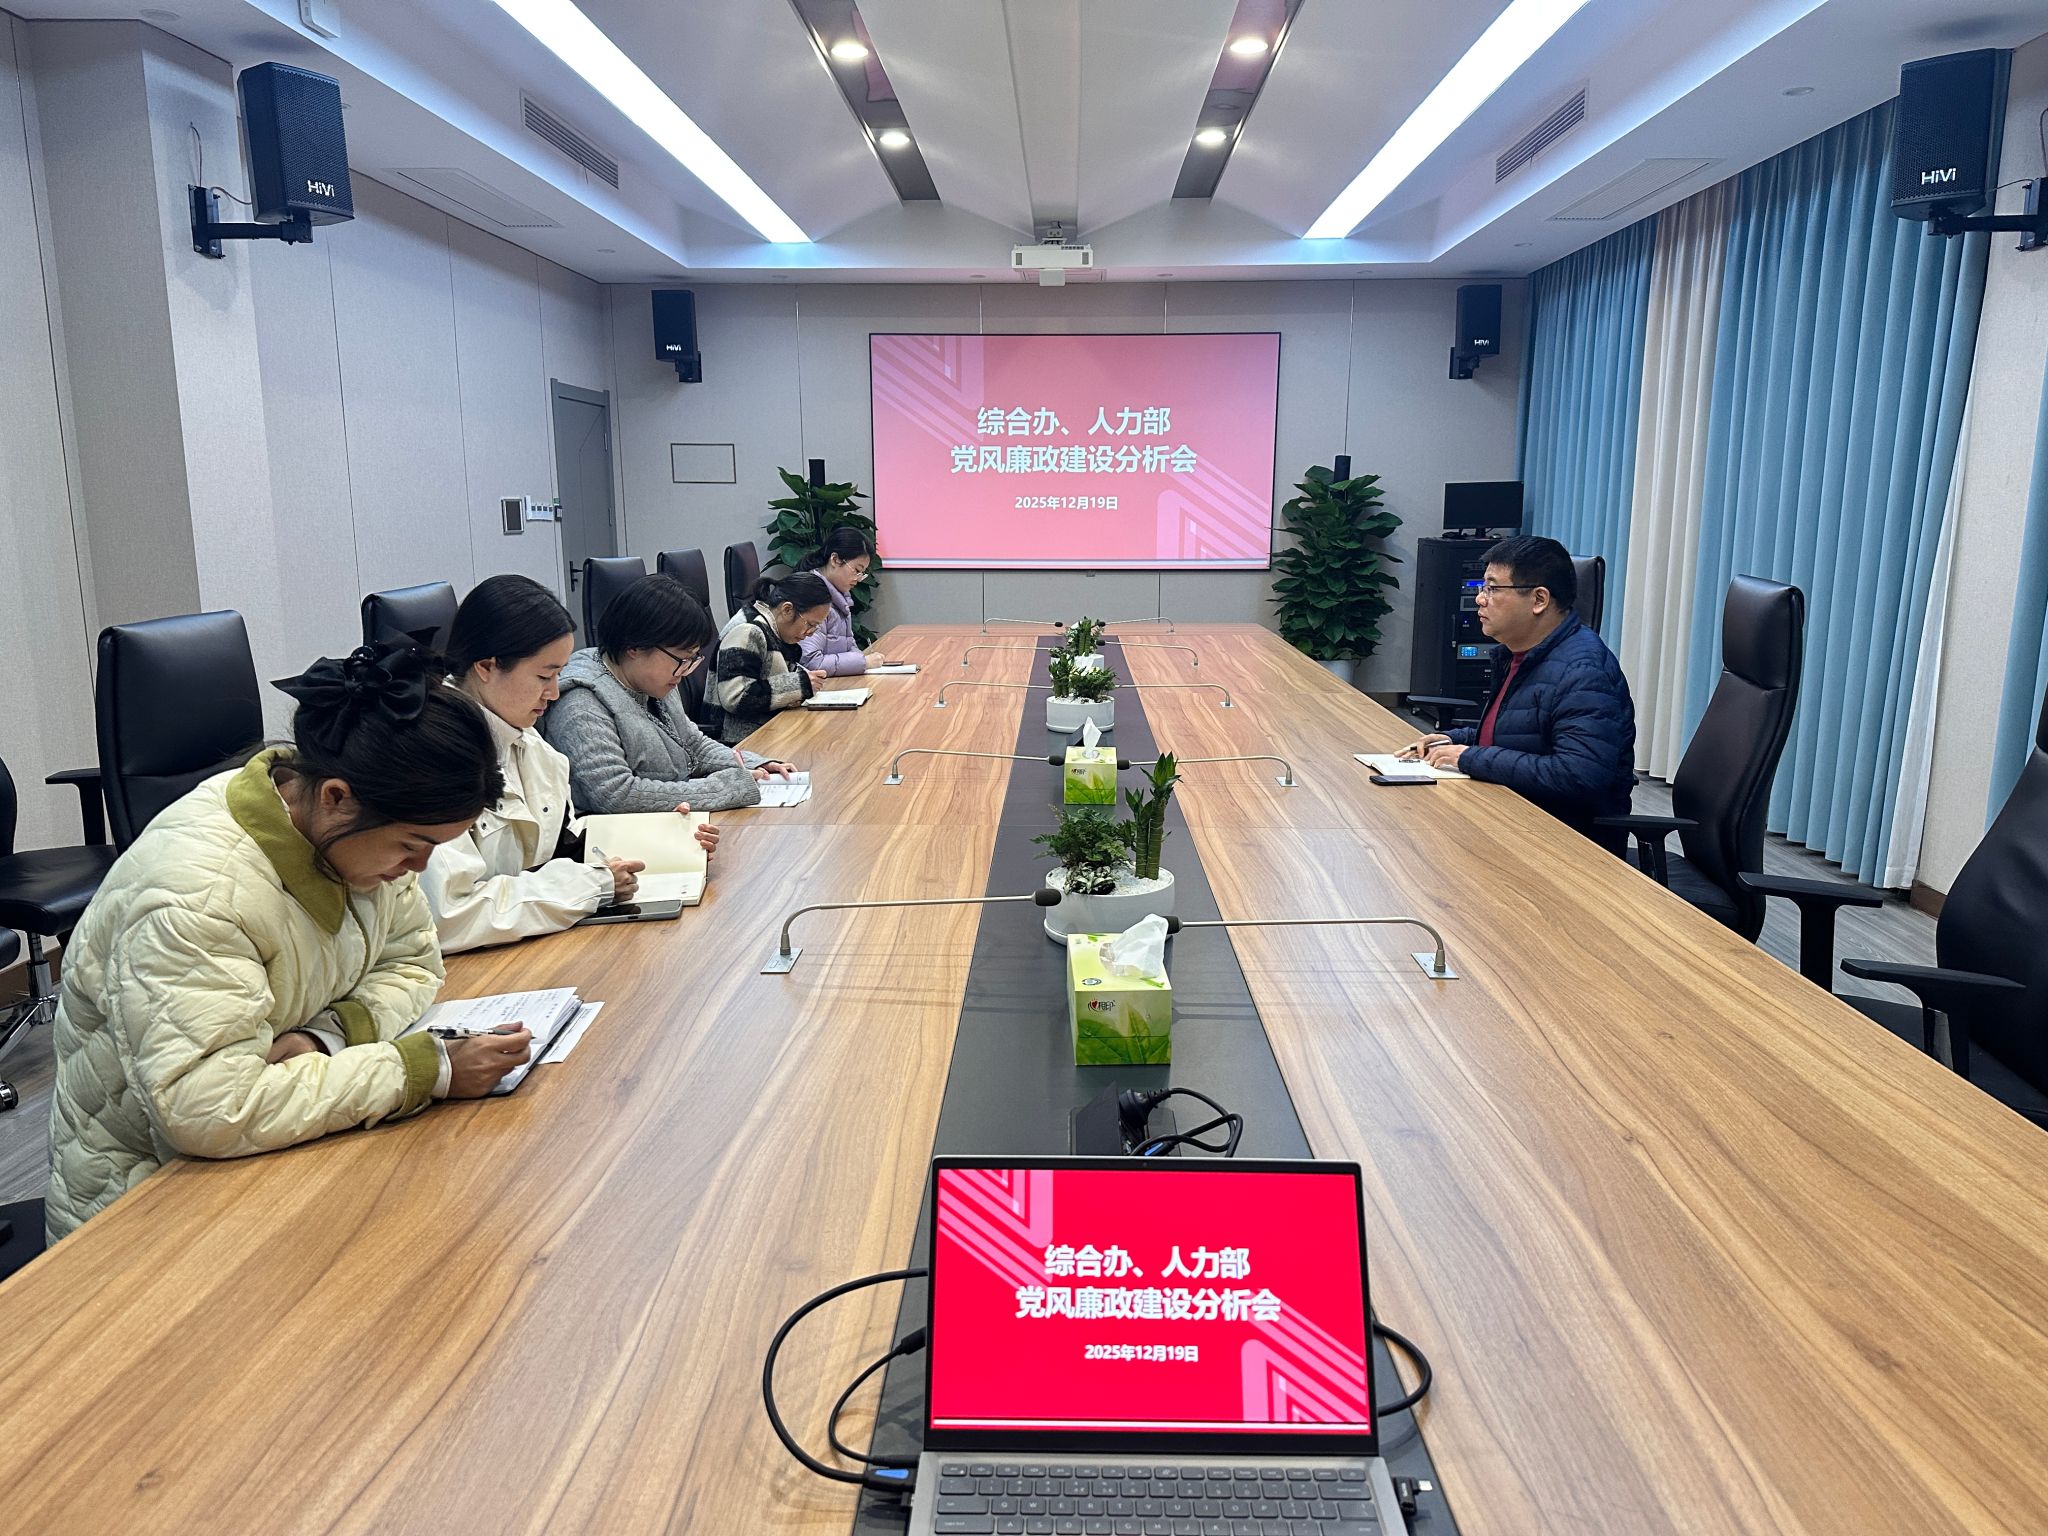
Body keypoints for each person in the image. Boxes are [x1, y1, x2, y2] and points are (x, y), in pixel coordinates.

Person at [45, 641, 533, 1241]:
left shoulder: (350, 832)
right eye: (414, 846)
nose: (418, 868)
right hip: (146, 1213)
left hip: (261, 1156)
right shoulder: (198, 897)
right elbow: (209, 1108)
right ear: (336, 797)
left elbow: (412, 961)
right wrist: (421, 1069)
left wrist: (326, 1036)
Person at [423, 574, 716, 953]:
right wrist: (594, 884)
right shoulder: (433, 755)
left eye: (558, 674)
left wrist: (664, 838)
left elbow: (561, 846)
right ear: (486, 667)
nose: (554, 692)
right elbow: (449, 914)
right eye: (544, 676)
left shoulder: (524, 739)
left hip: (529, 945)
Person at [1397, 534, 1636, 850]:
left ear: (1539, 600)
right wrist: (1453, 740)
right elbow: (1523, 735)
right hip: (1515, 821)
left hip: (1564, 846)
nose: (1480, 599)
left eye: (1492, 589)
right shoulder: (1522, 654)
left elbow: (1578, 775)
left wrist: (1470, 757)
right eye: (1482, 588)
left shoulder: (1583, 672)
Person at [544, 573, 797, 813]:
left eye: (692, 660)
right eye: (681, 659)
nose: (685, 671)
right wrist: (725, 788)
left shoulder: (653, 680)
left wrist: (754, 764)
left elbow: (692, 743)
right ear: (635, 646)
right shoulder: (581, 704)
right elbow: (616, 793)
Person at [706, 569, 832, 745]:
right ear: (787, 609)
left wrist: (796, 689)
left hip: (767, 729)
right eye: (810, 624)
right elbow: (737, 697)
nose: (810, 633)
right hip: (738, 740)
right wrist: (798, 685)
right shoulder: (748, 630)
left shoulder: (773, 629)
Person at [797, 527, 884, 676]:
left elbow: (849, 646)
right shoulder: (811, 596)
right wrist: (863, 662)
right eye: (857, 570)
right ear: (835, 559)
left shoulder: (839, 597)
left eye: (862, 573)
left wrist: (860, 660)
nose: (858, 578)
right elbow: (810, 662)